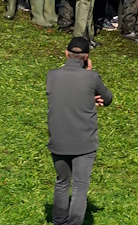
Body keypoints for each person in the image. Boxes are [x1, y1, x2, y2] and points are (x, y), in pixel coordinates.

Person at [47, 37, 112, 225]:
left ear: (66, 53)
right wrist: (89, 76)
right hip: (84, 142)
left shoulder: (52, 75)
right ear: (87, 57)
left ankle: (59, 221)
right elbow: (107, 98)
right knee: (80, 187)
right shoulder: (91, 77)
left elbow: (62, 96)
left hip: (58, 141)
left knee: (62, 182)